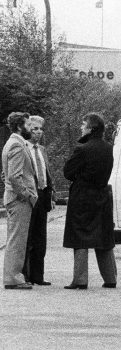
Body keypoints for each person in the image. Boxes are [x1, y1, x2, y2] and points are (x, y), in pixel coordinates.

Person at [63, 112, 117, 289]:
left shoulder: (82, 149)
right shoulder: (108, 148)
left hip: (82, 197)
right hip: (102, 196)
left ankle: (80, 279)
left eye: (83, 124)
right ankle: (110, 278)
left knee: (79, 237)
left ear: (91, 129)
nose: (80, 127)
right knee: (104, 238)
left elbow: (68, 172)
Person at [2, 112, 37, 290]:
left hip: (13, 198)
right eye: (28, 124)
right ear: (19, 127)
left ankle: (13, 276)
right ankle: (13, 277)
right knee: (17, 239)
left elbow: (6, 174)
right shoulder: (16, 145)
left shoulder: (13, 143)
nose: (31, 128)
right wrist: (27, 195)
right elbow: (15, 177)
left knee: (16, 238)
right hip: (19, 200)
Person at [23, 115, 54, 285]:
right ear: (28, 129)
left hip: (42, 196)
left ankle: (38, 275)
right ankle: (25, 274)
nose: (38, 132)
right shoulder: (22, 147)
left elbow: (47, 172)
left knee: (40, 237)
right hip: (29, 195)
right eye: (35, 129)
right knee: (27, 236)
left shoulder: (42, 149)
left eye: (41, 129)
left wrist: (51, 194)